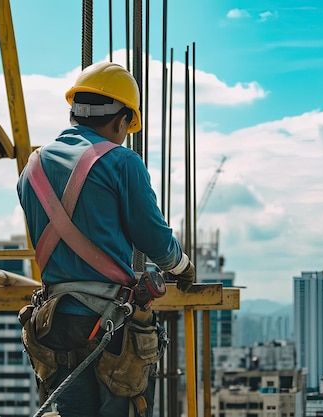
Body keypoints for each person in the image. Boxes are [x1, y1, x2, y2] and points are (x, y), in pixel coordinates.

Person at [16, 61, 195, 417]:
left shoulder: (31, 168)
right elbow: (155, 240)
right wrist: (182, 265)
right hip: (111, 329)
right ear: (122, 120)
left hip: (54, 325)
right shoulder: (123, 162)